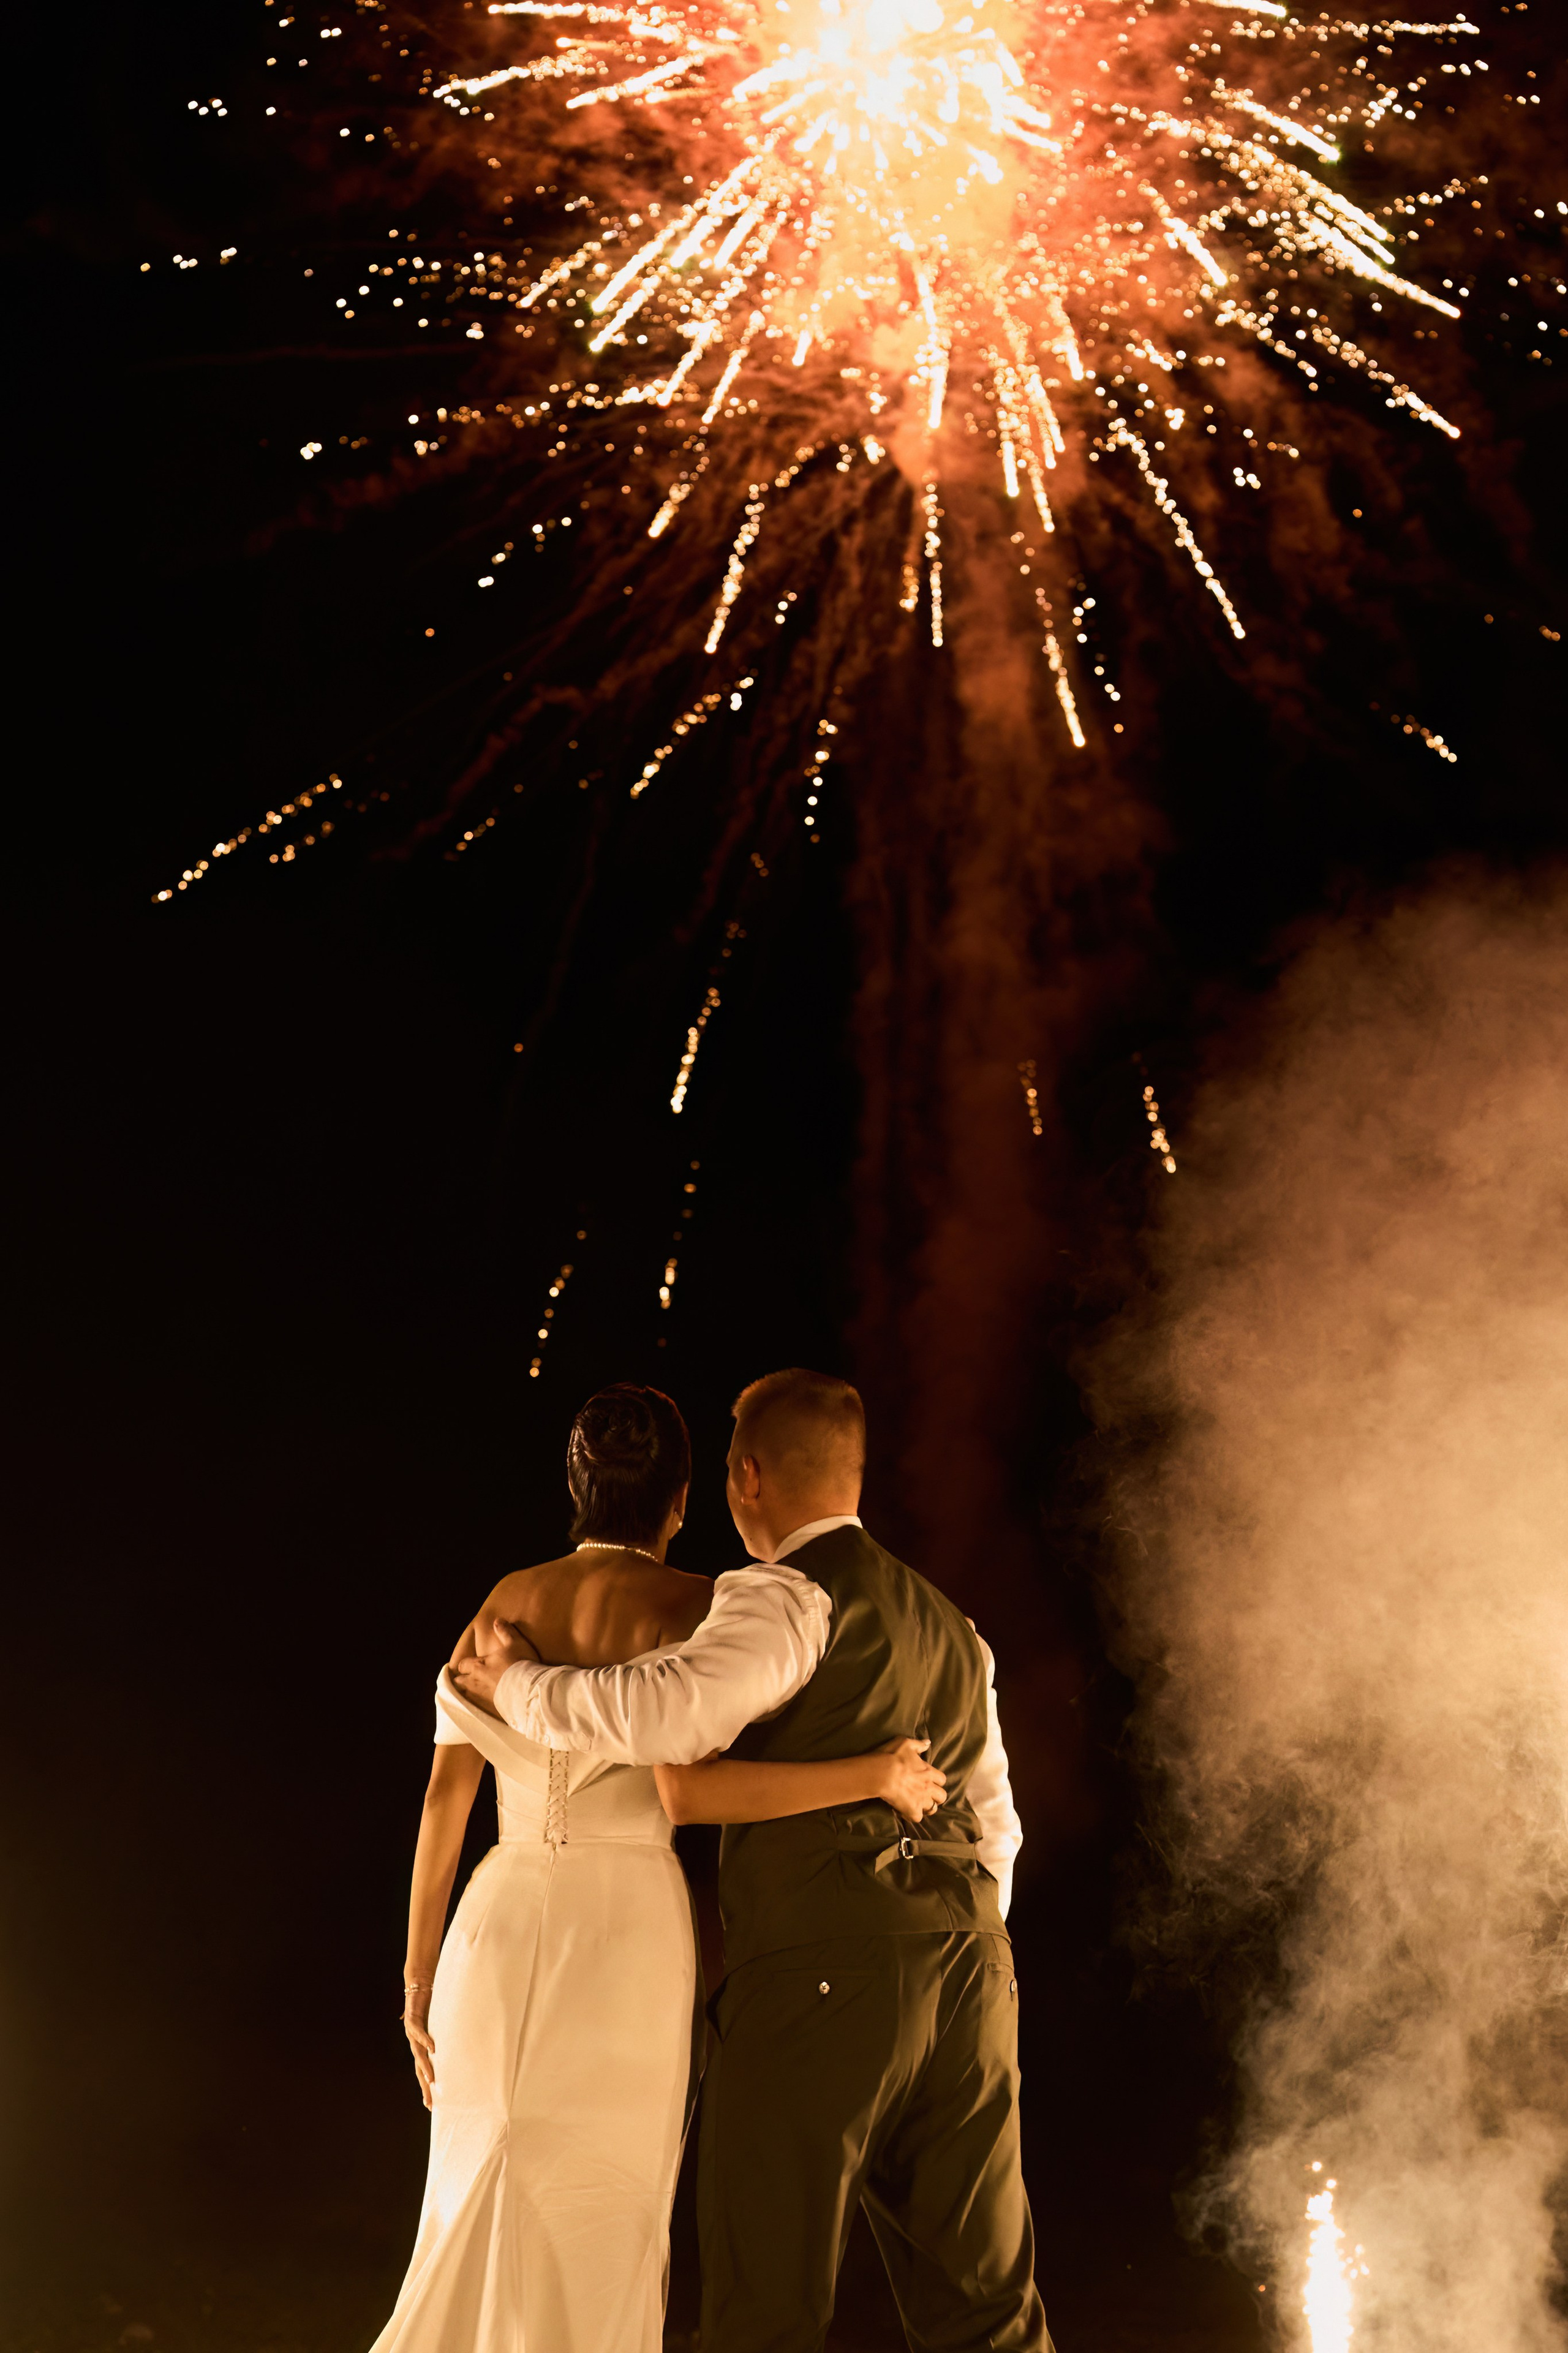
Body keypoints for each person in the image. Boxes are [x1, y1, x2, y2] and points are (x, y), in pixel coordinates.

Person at [453, 1367, 1052, 2353]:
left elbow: (662, 1714)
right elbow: (998, 1827)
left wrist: (518, 1683)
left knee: (765, 2306)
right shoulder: (959, 1631)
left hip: (820, 1973)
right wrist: (950, 1939)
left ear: (747, 1477)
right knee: (988, 2311)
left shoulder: (784, 1596)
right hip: (973, 1977)